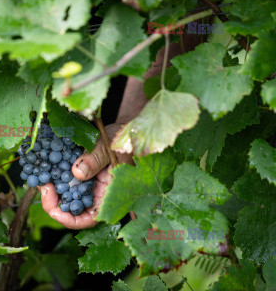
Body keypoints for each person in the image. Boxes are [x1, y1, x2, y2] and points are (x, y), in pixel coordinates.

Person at [38, 33, 206, 229]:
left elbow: (174, 16)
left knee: (122, 209)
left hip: (119, 67)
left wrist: (130, 126)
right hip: (47, 113)